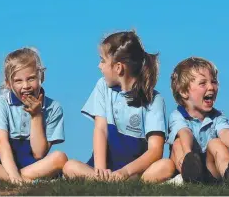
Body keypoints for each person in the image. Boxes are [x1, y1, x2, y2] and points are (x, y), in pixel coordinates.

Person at [62, 31, 167, 182]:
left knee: (166, 165)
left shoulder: (154, 100)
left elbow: (155, 150)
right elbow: (101, 129)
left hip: (133, 171)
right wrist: (100, 171)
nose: (99, 66)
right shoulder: (102, 87)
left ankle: (127, 181)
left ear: (118, 68)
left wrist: (125, 172)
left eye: (103, 61)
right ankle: (104, 181)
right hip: (105, 169)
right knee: (69, 166)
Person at [0, 47, 67, 183]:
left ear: (41, 77)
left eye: (31, 79)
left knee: (60, 157)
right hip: (2, 158)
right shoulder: (0, 103)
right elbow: (2, 143)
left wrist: (36, 116)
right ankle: (24, 181)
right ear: (8, 83)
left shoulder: (53, 108)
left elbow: (39, 153)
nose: (26, 86)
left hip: (32, 163)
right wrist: (14, 176)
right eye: (18, 81)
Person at [157, 56, 229, 185]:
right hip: (186, 164)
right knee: (178, 144)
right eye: (203, 83)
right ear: (184, 92)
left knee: (217, 143)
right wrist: (189, 156)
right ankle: (190, 175)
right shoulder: (177, 115)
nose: (211, 87)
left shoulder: (217, 116)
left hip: (210, 169)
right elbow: (185, 132)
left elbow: (225, 132)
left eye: (213, 82)